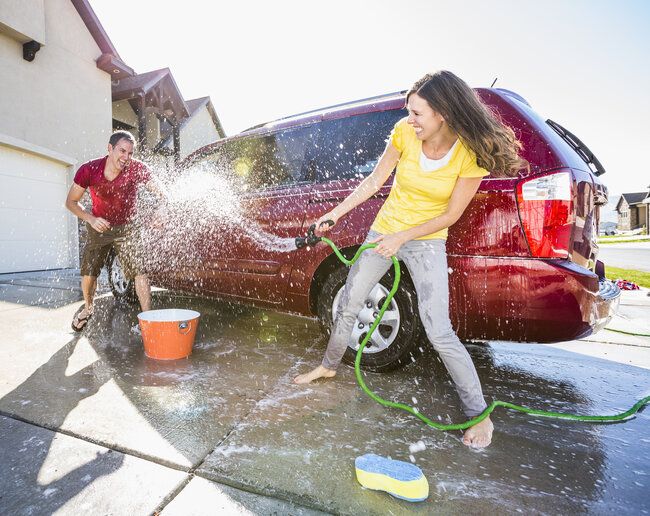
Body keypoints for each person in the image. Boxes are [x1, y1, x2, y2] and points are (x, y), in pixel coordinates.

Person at [294, 71, 528, 448]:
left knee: (438, 328)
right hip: (383, 230)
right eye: (410, 111)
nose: (410, 119)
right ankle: (328, 366)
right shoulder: (404, 133)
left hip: (427, 239)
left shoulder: (470, 154)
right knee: (350, 303)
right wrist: (335, 214)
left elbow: (451, 215)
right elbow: (374, 182)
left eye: (418, 113)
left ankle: (480, 416)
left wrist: (403, 237)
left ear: (444, 113)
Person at [65, 130, 157, 332]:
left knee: (140, 273)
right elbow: (71, 202)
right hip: (100, 226)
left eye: (130, 153)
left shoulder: (136, 169)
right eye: (122, 151)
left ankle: (148, 320)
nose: (126, 157)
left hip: (128, 226)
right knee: (89, 274)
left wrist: (163, 209)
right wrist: (90, 218)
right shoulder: (89, 169)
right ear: (110, 148)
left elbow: (160, 190)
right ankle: (88, 310)